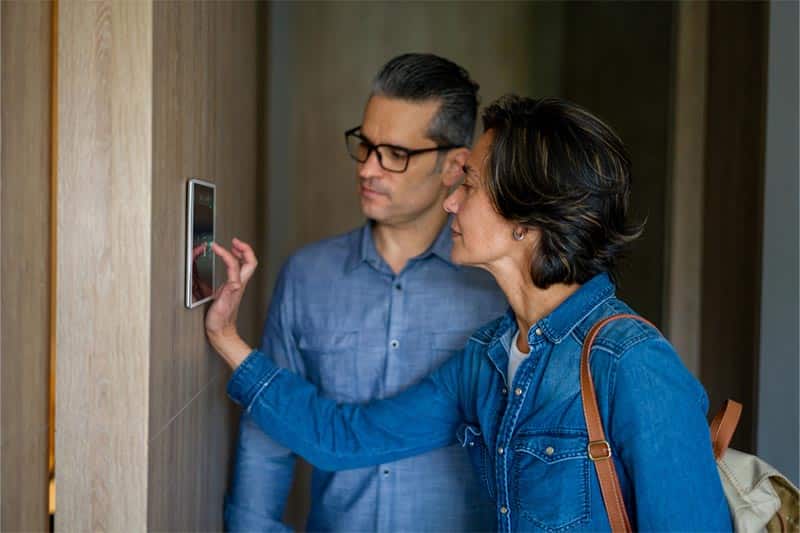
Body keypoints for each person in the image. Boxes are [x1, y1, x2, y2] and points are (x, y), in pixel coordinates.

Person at [209, 96, 732, 531]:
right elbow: (346, 438)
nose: (451, 203)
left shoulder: (634, 366)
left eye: (470, 185)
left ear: (526, 220)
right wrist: (229, 339)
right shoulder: (485, 359)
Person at [224, 53, 507, 532]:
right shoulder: (306, 277)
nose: (368, 169)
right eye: (365, 144)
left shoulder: (495, 290)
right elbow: (268, 442)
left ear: (454, 166)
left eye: (395, 154)